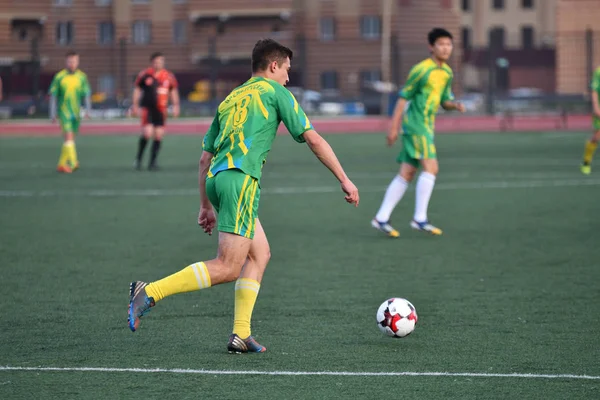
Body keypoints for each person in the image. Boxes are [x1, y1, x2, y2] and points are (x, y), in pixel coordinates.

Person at [128, 39, 360, 353]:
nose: (288, 79)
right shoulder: (275, 92)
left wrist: (205, 205)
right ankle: (149, 291)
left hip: (217, 180)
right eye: (287, 70)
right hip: (241, 180)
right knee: (227, 266)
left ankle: (241, 333)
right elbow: (313, 139)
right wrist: (344, 178)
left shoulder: (231, 98)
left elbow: (203, 158)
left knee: (259, 254)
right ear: (274, 65)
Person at [371, 28, 465, 237]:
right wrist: (393, 128)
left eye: (449, 44)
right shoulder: (421, 70)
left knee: (407, 173)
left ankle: (381, 218)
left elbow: (444, 101)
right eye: (441, 44)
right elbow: (403, 98)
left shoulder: (447, 72)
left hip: (427, 126)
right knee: (431, 167)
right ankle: (419, 218)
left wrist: (454, 105)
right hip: (415, 125)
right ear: (431, 47)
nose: (445, 48)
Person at [131, 52, 180, 170]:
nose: (159, 63)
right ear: (152, 62)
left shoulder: (168, 76)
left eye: (161, 61)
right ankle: (138, 159)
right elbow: (137, 90)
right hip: (148, 108)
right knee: (147, 133)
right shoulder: (145, 75)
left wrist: (176, 105)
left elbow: (173, 91)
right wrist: (135, 105)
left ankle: (153, 162)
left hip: (161, 110)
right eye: (156, 61)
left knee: (158, 135)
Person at [49, 51, 91, 173]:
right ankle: (73, 162)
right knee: (68, 136)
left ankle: (61, 164)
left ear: (77, 62)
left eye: (74, 61)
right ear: (66, 62)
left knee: (70, 139)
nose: (72, 63)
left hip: (76, 113)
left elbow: (86, 94)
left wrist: (88, 110)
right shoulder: (59, 77)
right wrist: (52, 114)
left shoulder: (82, 77)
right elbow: (53, 96)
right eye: (70, 61)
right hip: (64, 112)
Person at [580, 65, 600, 175]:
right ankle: (586, 162)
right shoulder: (598, 72)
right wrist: (596, 107)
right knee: (597, 136)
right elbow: (594, 91)